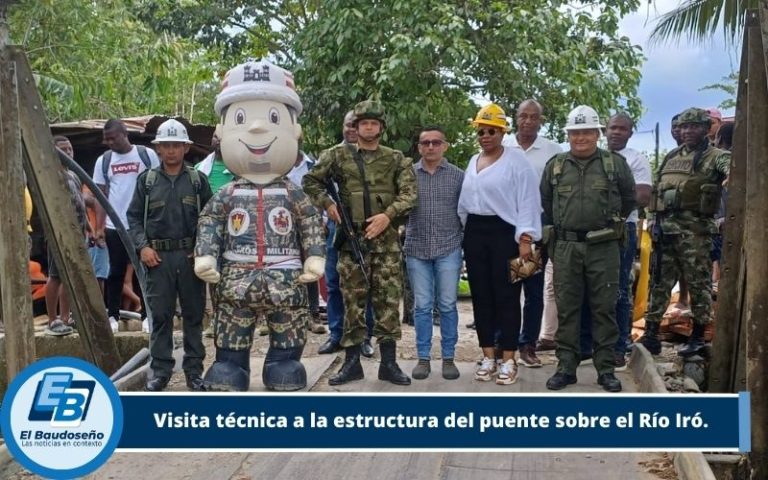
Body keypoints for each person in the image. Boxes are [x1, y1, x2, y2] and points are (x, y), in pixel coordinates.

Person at [195, 59, 325, 392]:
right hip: (236, 280)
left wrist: (314, 256)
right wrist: (205, 256)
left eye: (273, 119)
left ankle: (283, 362)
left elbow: (310, 221)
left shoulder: (293, 193)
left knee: (289, 326)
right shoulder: (227, 194)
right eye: (240, 119)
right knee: (232, 328)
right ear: (221, 133)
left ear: (294, 131)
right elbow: (210, 223)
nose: (256, 129)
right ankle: (230, 364)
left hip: (286, 279)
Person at [303, 100, 417, 386]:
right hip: (351, 242)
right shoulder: (337, 155)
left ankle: (388, 364)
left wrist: (387, 216)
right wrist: (328, 204)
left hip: (385, 243)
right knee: (352, 302)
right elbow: (310, 181)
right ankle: (352, 363)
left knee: (388, 302)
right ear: (355, 127)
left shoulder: (396, 159)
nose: (368, 127)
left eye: (373, 123)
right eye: (363, 123)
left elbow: (410, 194)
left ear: (381, 128)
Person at [541, 105, 635, 393]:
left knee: (604, 309)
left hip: (604, 247)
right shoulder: (555, 165)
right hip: (566, 246)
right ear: (568, 135)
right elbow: (546, 203)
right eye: (574, 132)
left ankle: (605, 370)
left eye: (586, 132)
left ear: (597, 133)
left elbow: (629, 199)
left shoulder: (614, 164)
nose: (580, 137)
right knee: (567, 309)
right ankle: (566, 368)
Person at [458, 103, 541, 386]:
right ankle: (488, 356)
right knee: (481, 297)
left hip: (506, 233)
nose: (485, 136)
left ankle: (508, 358)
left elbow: (529, 201)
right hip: (476, 232)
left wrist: (525, 239)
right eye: (481, 131)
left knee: (507, 298)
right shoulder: (473, 160)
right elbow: (465, 202)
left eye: (491, 131)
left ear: (503, 132)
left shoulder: (517, 162)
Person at [127, 119, 212, 391]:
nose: (171, 150)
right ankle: (161, 372)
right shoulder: (147, 182)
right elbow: (133, 218)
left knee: (193, 316)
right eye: (166, 145)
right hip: (158, 260)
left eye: (177, 145)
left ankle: (194, 372)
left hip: (189, 258)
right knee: (161, 317)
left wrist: (202, 249)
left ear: (186, 148)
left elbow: (210, 219)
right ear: (158, 149)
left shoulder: (197, 181)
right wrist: (143, 247)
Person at [640, 108, 730, 357]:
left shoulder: (715, 156)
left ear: (706, 129)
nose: (688, 131)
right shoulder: (672, 156)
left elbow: (729, 167)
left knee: (699, 284)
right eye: (684, 127)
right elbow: (658, 191)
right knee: (659, 283)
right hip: (665, 231)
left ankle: (698, 336)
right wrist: (653, 221)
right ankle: (650, 334)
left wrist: (730, 175)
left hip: (695, 235)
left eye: (694, 126)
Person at [504, 99, 563, 364]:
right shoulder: (503, 146)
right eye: (523, 116)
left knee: (532, 289)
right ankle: (503, 342)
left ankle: (527, 344)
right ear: (515, 118)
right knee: (506, 288)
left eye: (533, 117)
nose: (528, 121)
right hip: (505, 225)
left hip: (535, 227)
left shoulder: (552, 151)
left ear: (541, 120)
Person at [405, 126, 464, 380]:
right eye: (425, 143)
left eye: (436, 142)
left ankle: (448, 358)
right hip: (416, 248)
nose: (430, 147)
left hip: (448, 248)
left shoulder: (458, 176)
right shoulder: (407, 175)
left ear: (445, 146)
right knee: (422, 306)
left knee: (448, 304)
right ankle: (423, 358)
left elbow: (465, 211)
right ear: (419, 147)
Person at [316, 110, 376, 358]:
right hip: (336, 228)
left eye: (355, 125)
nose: (352, 129)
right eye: (348, 124)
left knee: (365, 283)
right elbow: (313, 184)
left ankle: (365, 336)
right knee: (333, 283)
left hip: (366, 227)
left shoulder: (374, 155)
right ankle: (336, 334)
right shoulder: (330, 155)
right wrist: (327, 205)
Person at [93, 119, 160, 333]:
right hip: (115, 225)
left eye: (113, 138)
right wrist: (100, 227)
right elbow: (100, 196)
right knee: (115, 271)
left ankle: (147, 315)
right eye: (107, 139)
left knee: (145, 269)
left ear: (125, 134)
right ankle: (112, 315)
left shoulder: (146, 155)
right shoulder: (104, 161)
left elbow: (158, 187)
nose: (109, 142)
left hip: (141, 225)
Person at [605, 113, 652, 370]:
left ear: (630, 134)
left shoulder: (635, 159)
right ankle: (591, 344)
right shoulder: (596, 156)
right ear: (605, 130)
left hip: (623, 228)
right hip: (593, 230)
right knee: (592, 288)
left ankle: (619, 346)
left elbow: (642, 196)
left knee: (620, 288)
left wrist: (606, 202)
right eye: (613, 127)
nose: (616, 132)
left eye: (622, 129)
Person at [44, 136, 91, 336]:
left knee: (71, 277)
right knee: (56, 275)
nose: (68, 153)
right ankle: (52, 319)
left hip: (78, 232)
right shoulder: (49, 174)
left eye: (70, 149)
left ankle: (66, 317)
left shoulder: (73, 174)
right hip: (59, 234)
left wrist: (88, 226)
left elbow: (80, 202)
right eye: (63, 149)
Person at [196, 130, 237, 339]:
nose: (218, 140)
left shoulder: (240, 167)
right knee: (214, 273)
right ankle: (216, 319)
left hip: (237, 229)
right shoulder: (200, 169)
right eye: (214, 136)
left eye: (222, 136)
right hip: (212, 229)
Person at [287, 148, 327, 336]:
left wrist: (322, 220)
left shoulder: (312, 166)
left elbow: (321, 192)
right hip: (282, 224)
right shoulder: (278, 165)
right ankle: (285, 315)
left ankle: (313, 315)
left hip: (309, 223)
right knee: (284, 267)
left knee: (309, 267)